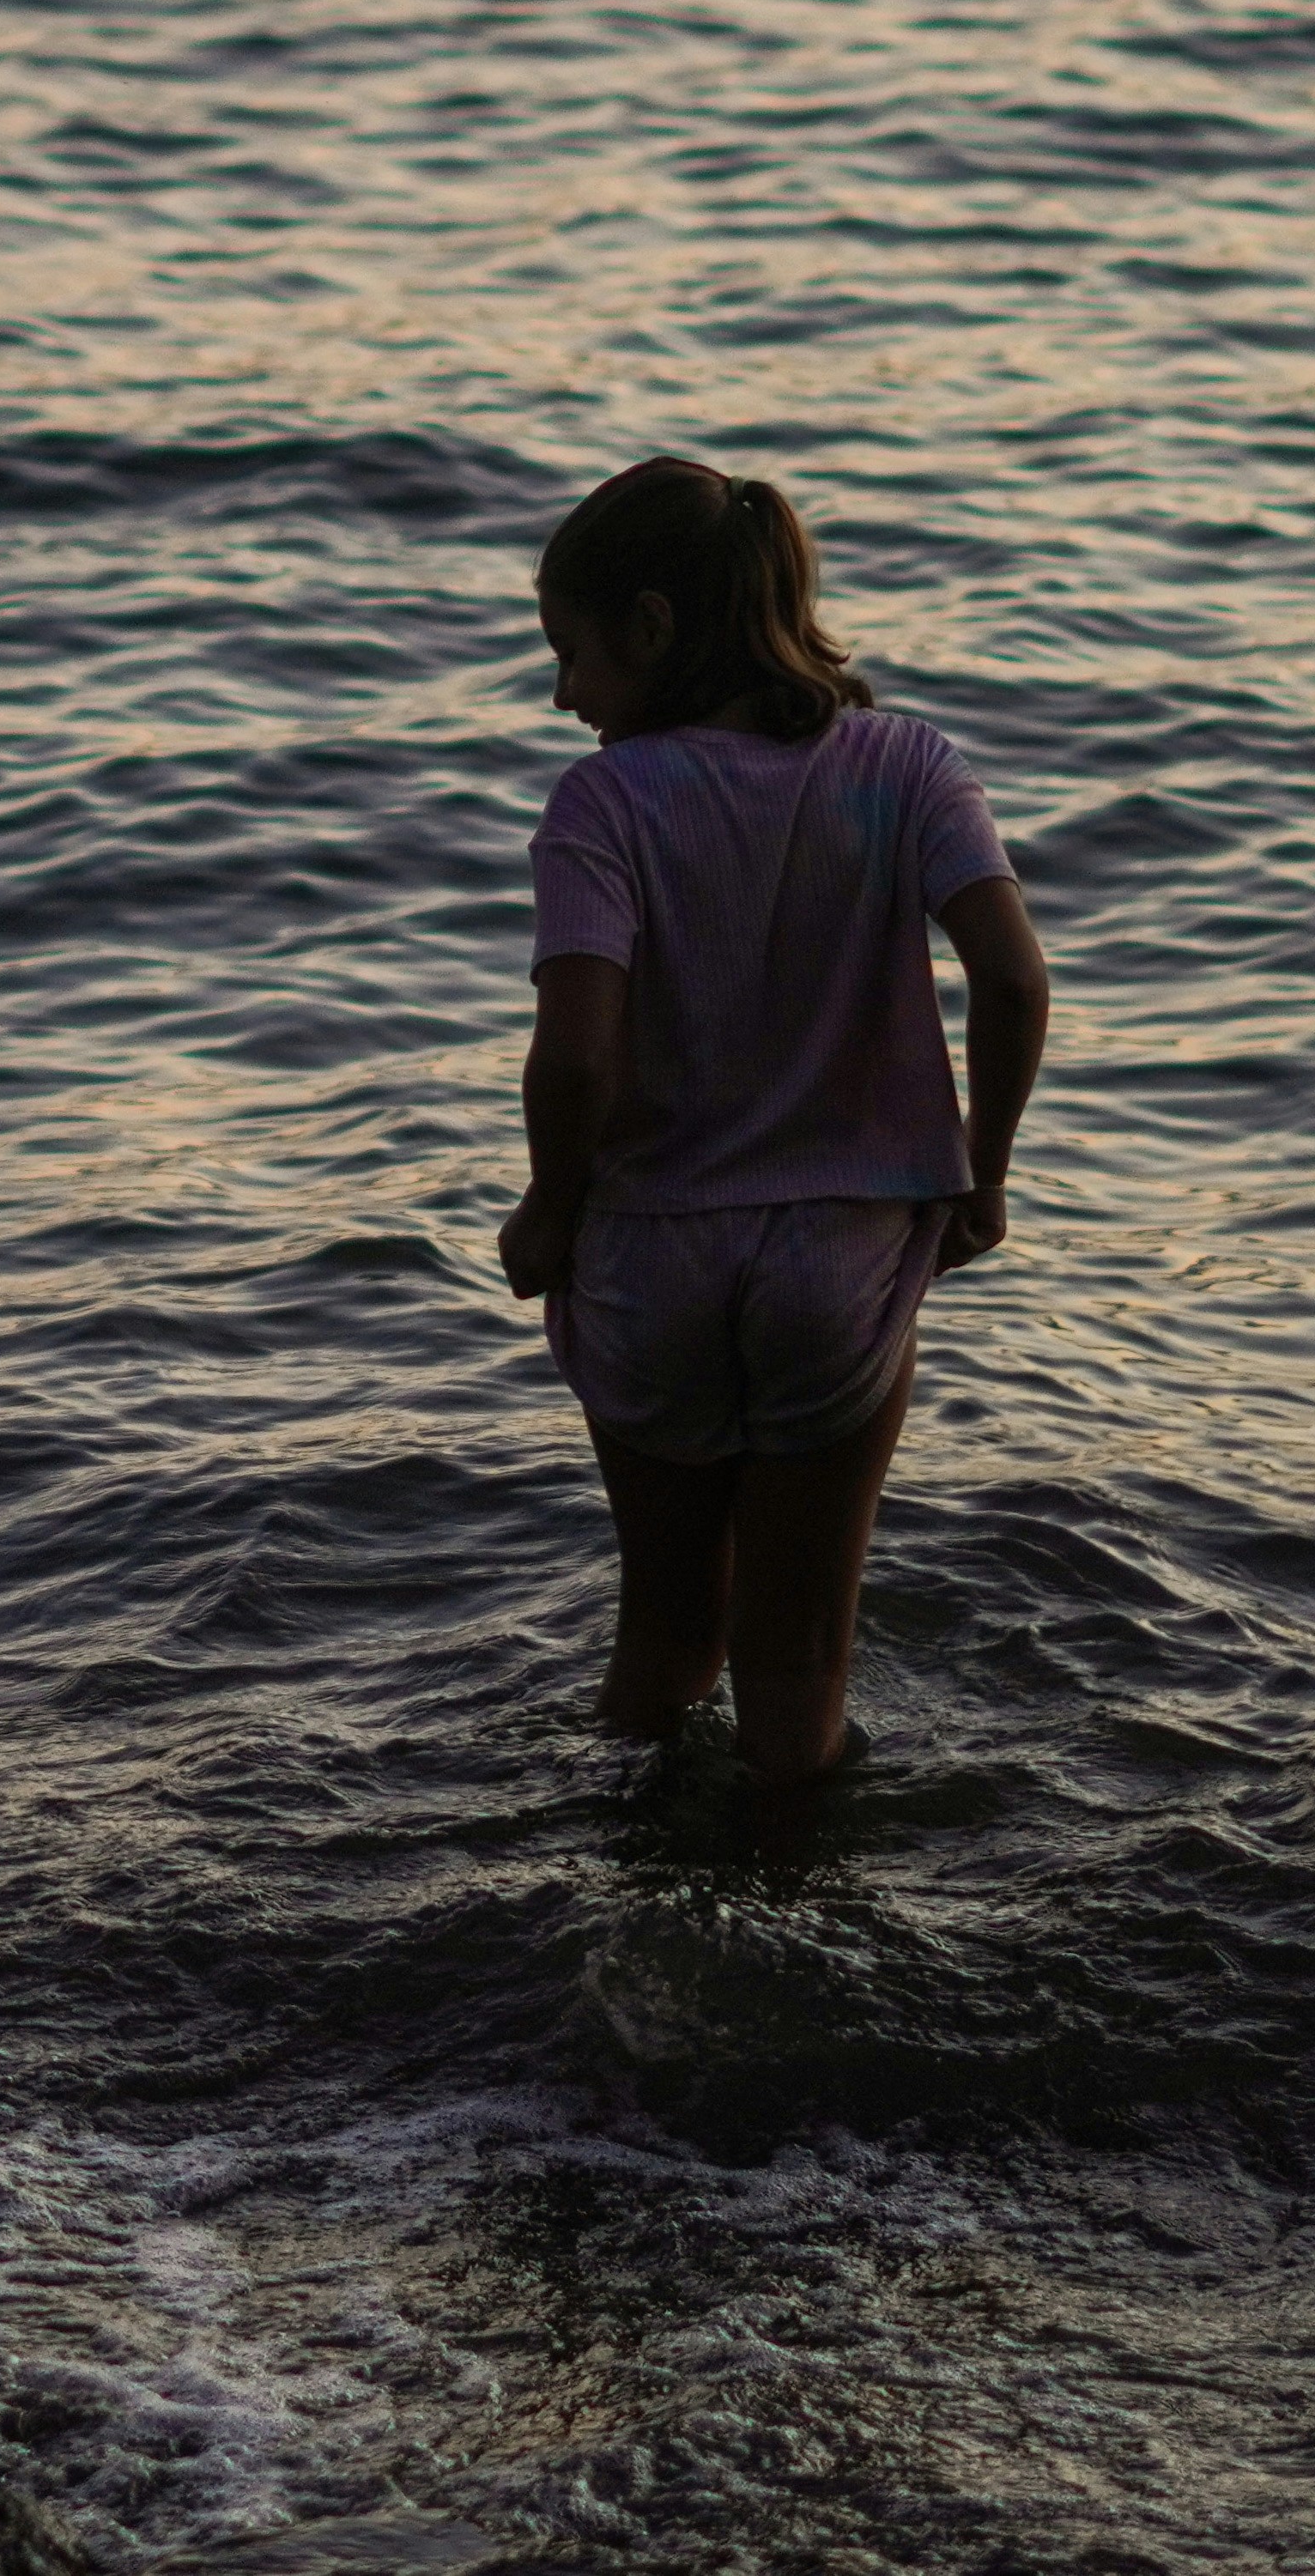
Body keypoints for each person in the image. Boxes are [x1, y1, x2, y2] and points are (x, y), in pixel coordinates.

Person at [493, 460, 1047, 1785]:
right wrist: (983, 1176)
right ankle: (796, 1928)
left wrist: (551, 1212)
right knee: (795, 1662)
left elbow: (571, 1057)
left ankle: (613, 1930)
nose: (563, 693)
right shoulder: (906, 764)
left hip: (651, 1260)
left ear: (648, 627)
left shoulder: (602, 805)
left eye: (567, 654)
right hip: (838, 1261)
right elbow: (1015, 976)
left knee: (662, 1641)